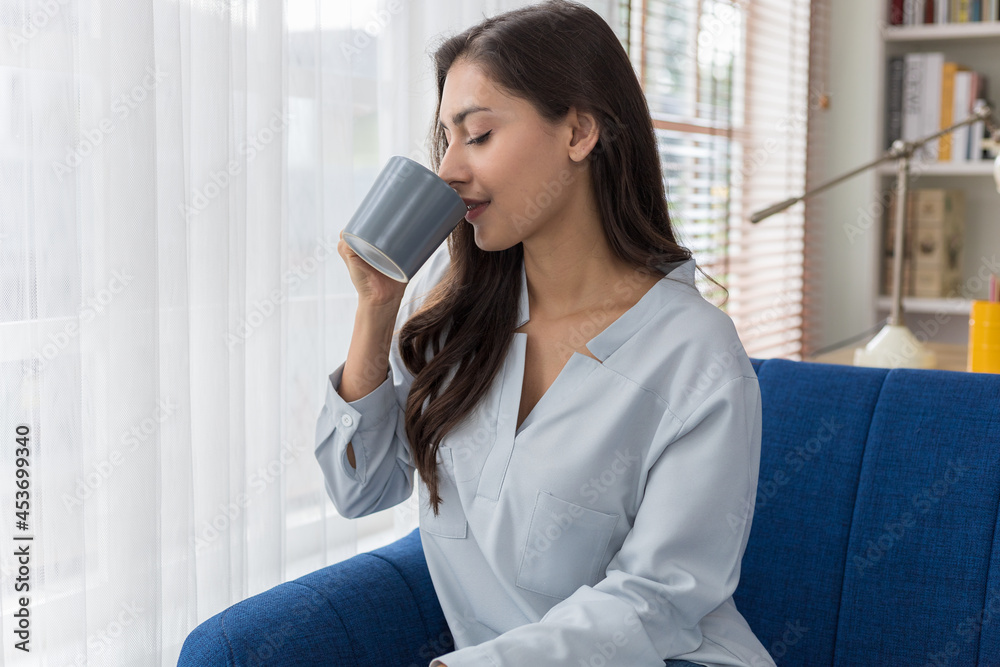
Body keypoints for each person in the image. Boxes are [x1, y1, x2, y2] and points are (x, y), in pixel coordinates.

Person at [316, 1, 775, 665]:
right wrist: (376, 305)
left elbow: (659, 599)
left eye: (477, 135)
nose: (448, 169)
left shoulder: (695, 352)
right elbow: (359, 488)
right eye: (444, 139)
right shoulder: (454, 306)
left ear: (578, 131)